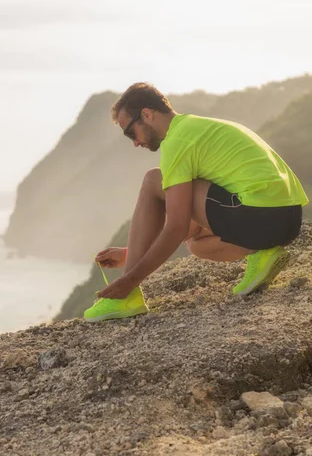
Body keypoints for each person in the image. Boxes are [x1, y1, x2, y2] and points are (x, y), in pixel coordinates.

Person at [84, 82, 309, 322]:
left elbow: (177, 226)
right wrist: (131, 253)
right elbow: (194, 221)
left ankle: (126, 299)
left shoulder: (177, 142)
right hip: (288, 220)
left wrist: (129, 280)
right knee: (197, 244)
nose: (135, 142)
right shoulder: (198, 128)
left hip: (260, 215)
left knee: (152, 180)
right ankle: (263, 253)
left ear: (147, 115)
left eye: (131, 132)